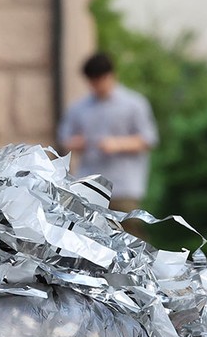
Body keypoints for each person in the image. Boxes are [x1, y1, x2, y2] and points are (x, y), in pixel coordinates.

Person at [57, 52, 159, 238]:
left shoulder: (133, 104)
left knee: (129, 235)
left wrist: (118, 144)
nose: (97, 86)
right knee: (90, 235)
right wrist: (78, 142)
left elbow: (148, 139)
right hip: (90, 183)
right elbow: (65, 138)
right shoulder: (79, 108)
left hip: (123, 185)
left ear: (111, 76)